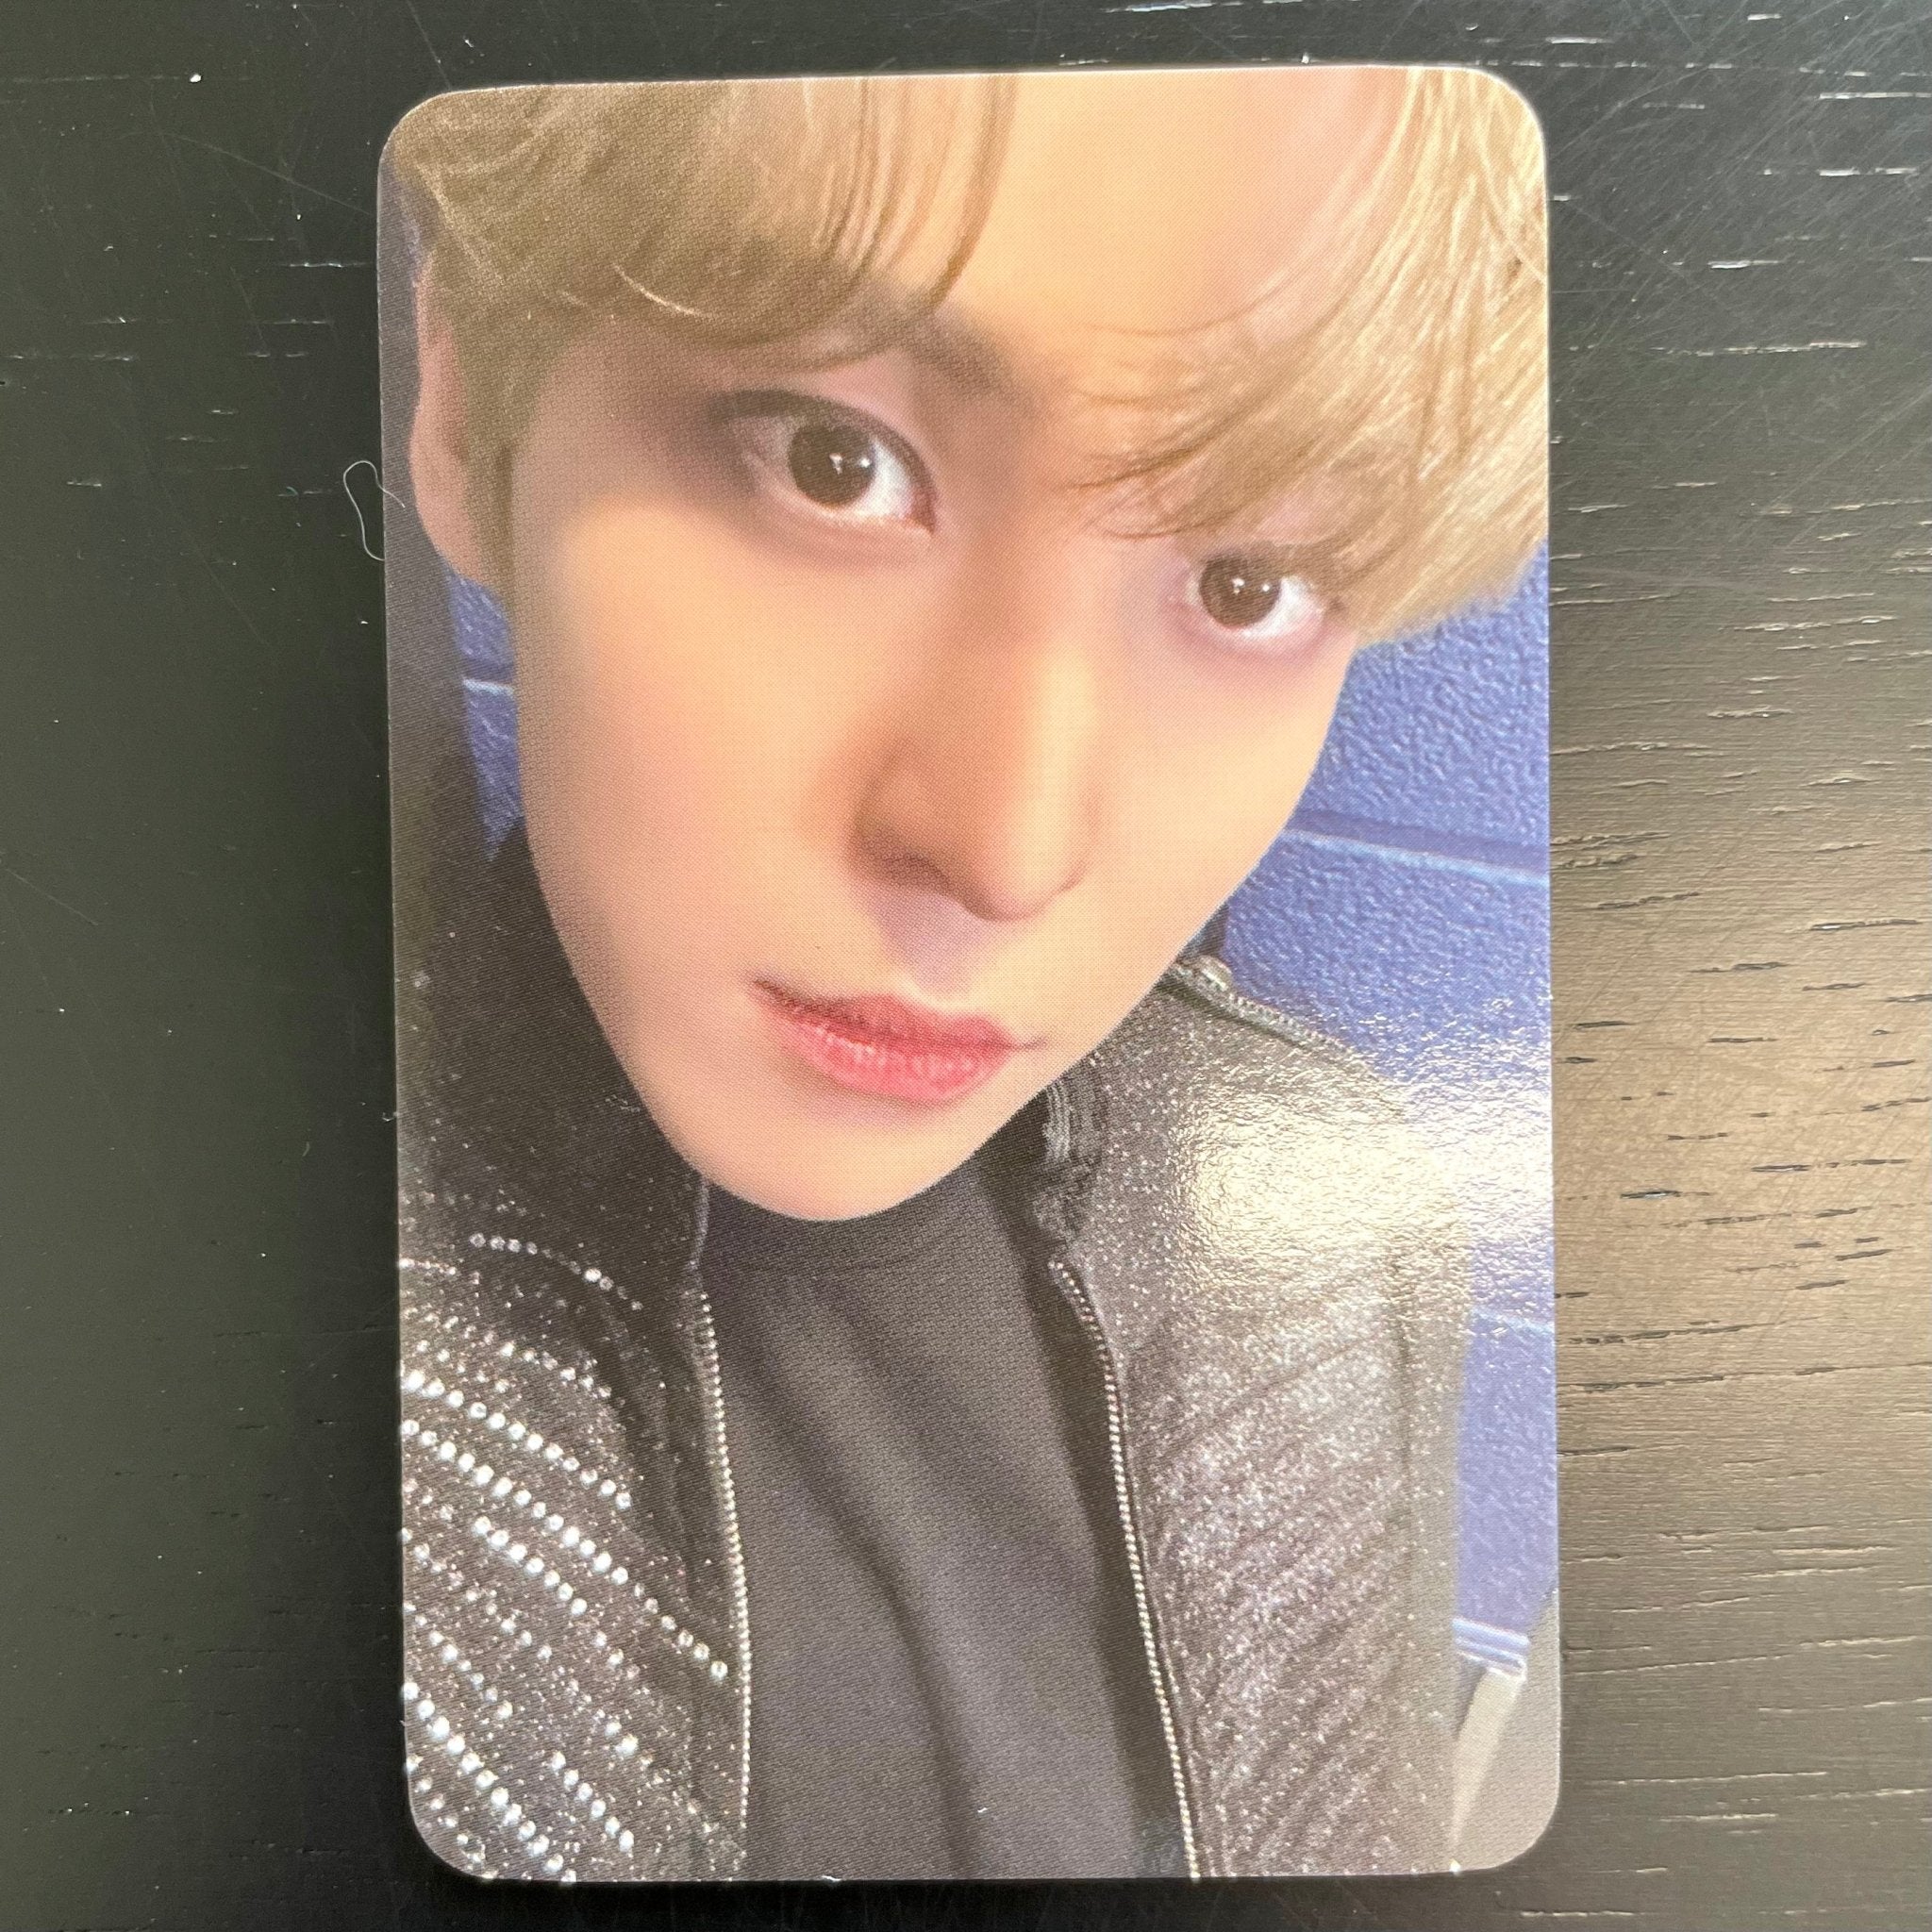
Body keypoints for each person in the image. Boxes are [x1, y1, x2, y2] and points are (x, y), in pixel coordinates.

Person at [382, 64, 1547, 1883]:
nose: (1009, 848)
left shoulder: (1349, 1225)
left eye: (1249, 582)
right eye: (832, 459)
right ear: (468, 412)